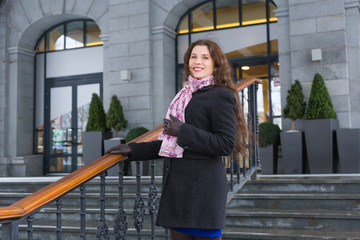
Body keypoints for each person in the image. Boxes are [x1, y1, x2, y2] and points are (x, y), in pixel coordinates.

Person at [106, 39, 248, 240]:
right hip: (179, 193)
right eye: (193, 56)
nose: (197, 61)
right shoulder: (186, 95)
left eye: (205, 57)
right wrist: (133, 150)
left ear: (216, 64)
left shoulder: (221, 95)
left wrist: (183, 130)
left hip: (202, 193)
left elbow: (225, 144)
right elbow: (170, 144)